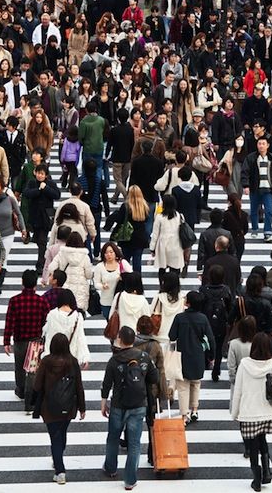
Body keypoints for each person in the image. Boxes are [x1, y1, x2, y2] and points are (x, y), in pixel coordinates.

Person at [101, 326, 159, 491]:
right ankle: (130, 480)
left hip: (118, 404)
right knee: (134, 443)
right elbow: (154, 378)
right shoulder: (144, 357)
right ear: (134, 340)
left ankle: (111, 468)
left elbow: (107, 383)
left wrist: (104, 401)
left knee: (113, 437)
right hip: (138, 404)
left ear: (119, 339)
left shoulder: (114, 360)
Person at [231, 332, 272, 492]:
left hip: (249, 411)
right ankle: (266, 471)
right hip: (268, 410)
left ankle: (256, 478)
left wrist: (235, 413)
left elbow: (238, 391)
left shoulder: (244, 364)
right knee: (262, 439)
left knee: (253, 443)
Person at [33, 333, 86, 485]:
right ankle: (58, 459)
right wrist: (82, 407)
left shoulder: (46, 362)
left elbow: (37, 385)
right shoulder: (72, 361)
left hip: (49, 407)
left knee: (54, 437)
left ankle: (60, 470)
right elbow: (79, 387)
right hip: (68, 406)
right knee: (62, 434)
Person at [168, 291, 215, 425]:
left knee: (183, 387)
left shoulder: (179, 318)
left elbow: (172, 336)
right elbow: (211, 339)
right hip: (198, 356)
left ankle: (184, 415)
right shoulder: (203, 318)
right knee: (196, 383)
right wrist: (211, 356)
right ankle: (194, 409)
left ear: (188, 303)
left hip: (182, 356)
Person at [4, 270, 50, 403]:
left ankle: (21, 389)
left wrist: (6, 341)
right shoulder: (42, 302)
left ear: (22, 283)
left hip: (19, 340)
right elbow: (45, 323)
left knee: (19, 367)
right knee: (32, 369)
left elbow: (9, 322)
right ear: (35, 284)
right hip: (35, 340)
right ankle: (30, 397)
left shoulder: (14, 301)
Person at [241, 135, 272, 242]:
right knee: (254, 210)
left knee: (269, 211)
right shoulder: (251, 158)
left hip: (268, 189)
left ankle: (268, 231)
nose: (261, 146)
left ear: (268, 145)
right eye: (259, 144)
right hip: (255, 188)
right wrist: (246, 185)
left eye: (263, 144)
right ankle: (255, 228)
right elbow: (245, 172)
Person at [41, 288, 90, 368]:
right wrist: (84, 358)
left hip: (53, 357)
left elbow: (48, 336)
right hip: (71, 357)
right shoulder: (77, 317)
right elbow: (81, 338)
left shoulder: (52, 314)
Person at [93, 242, 131, 320]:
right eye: (106, 253)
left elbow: (132, 278)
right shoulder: (99, 267)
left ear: (115, 252)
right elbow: (96, 283)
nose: (109, 255)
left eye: (111, 252)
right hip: (106, 300)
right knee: (110, 323)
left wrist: (123, 277)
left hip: (121, 300)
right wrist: (102, 286)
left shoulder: (122, 263)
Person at [150, 194, 185, 276]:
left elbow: (155, 234)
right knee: (175, 269)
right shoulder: (179, 216)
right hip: (176, 244)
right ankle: (174, 286)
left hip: (163, 245)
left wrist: (152, 248)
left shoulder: (159, 217)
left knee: (162, 268)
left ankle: (162, 286)